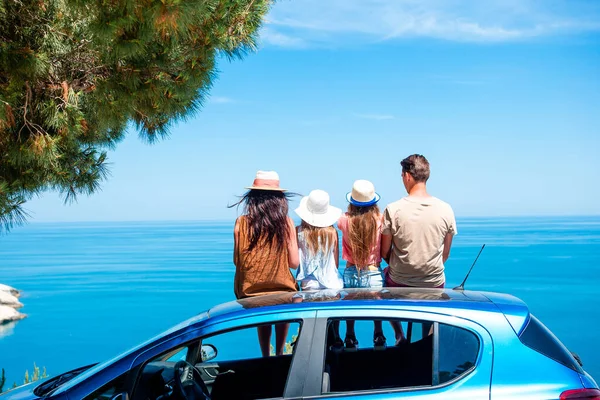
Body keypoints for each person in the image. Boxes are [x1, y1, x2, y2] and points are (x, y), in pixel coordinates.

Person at [380, 154, 457, 344]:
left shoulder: (393, 209)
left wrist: (401, 265)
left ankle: (399, 335)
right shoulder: (446, 209)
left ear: (407, 176)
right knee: (432, 307)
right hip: (433, 283)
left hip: (399, 282)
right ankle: (428, 340)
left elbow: (384, 252)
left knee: (381, 279)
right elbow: (445, 254)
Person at [231, 170, 300, 357]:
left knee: (263, 312)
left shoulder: (241, 222)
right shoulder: (286, 223)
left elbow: (237, 261)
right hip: (283, 292)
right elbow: (294, 263)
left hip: (250, 293)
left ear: (252, 198)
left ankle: (265, 355)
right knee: (283, 300)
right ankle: (279, 352)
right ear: (279, 199)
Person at [337, 180, 386, 350]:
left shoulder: (344, 220)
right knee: (376, 310)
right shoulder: (379, 219)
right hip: (373, 271)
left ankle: (349, 336)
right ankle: (378, 334)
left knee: (350, 309)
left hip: (351, 270)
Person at [294, 189, 344, 349]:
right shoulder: (333, 233)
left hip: (309, 288)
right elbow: (335, 264)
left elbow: (295, 261)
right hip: (333, 285)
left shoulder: (298, 232)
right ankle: (335, 339)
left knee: (311, 327)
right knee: (332, 324)